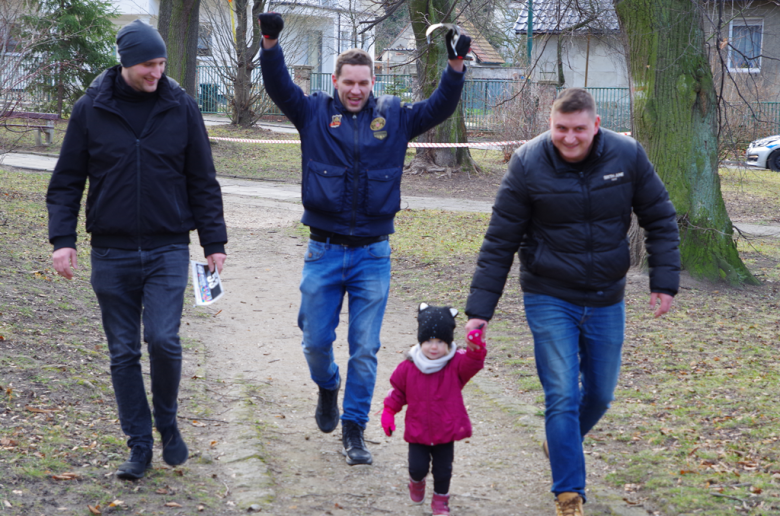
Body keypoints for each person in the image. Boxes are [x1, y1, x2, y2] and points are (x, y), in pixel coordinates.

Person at [256, 12, 471, 465]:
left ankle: (354, 429)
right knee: (315, 341)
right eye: (348, 82)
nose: (356, 90)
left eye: (363, 82)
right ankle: (328, 385)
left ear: (373, 82)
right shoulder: (313, 112)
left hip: (373, 254)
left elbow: (438, 109)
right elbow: (278, 87)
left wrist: (455, 69)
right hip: (324, 251)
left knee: (366, 348)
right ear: (335, 80)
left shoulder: (393, 117)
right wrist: (270, 44)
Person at [464, 88, 680, 516]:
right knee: (561, 394)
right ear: (550, 125)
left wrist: (664, 281)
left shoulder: (626, 155)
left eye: (578, 129)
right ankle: (569, 495)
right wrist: (479, 311)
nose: (569, 138)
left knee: (599, 395)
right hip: (549, 293)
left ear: (596, 125)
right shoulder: (527, 162)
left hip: (606, 295)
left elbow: (659, 216)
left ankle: (558, 439)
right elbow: (499, 240)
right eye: (560, 128)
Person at [46, 19, 227, 480]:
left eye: (162, 63)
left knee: (163, 340)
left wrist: (214, 242)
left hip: (168, 247)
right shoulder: (91, 109)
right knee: (123, 352)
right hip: (111, 252)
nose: (157, 72)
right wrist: (61, 241)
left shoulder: (181, 107)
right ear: (126, 62)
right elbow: (66, 182)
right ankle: (139, 444)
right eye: (149, 64)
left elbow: (202, 180)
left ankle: (166, 418)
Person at [381, 304, 486, 516]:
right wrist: (388, 412)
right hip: (417, 429)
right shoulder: (408, 367)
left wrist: (477, 347)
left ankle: (440, 500)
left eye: (440, 342)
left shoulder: (457, 364)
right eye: (428, 341)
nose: (434, 347)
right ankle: (416, 482)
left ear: (449, 343)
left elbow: (474, 363)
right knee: (417, 467)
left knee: (443, 470)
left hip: (445, 429)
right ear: (421, 341)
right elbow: (398, 393)